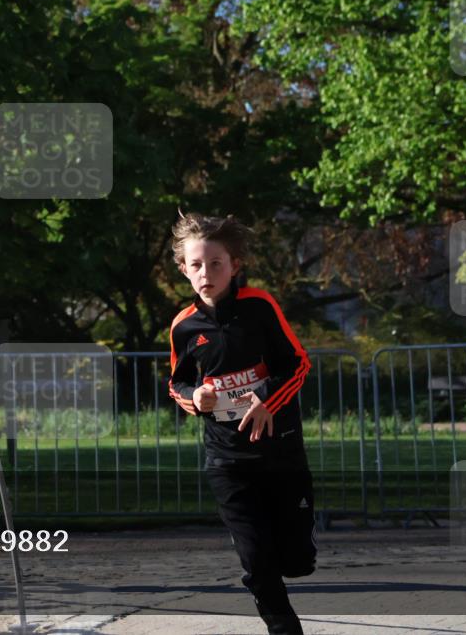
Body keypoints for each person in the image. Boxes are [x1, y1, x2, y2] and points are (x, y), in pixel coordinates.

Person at [167, 212, 316, 635]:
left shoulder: (260, 306)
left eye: (216, 263)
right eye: (196, 265)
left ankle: (296, 548)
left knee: (296, 561)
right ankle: (284, 629)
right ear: (183, 270)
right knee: (256, 561)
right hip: (227, 460)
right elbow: (176, 382)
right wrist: (194, 399)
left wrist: (267, 401)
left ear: (235, 265)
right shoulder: (183, 327)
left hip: (280, 450)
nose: (206, 272)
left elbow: (299, 364)